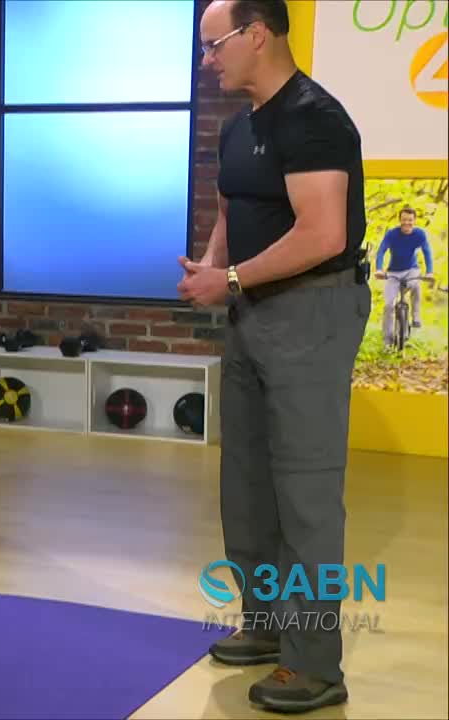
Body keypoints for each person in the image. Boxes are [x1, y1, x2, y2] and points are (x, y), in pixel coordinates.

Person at [178, 0, 368, 713]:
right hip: (250, 314)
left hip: (312, 311)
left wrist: (226, 280)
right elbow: (233, 214)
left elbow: (322, 234)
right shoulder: (239, 127)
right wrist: (211, 264)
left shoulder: (315, 119)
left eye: (214, 45)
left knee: (306, 496)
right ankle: (264, 624)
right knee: (248, 485)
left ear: (257, 34)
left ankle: (314, 664)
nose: (207, 61)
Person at [375, 205, 434, 346]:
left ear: (414, 221)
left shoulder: (420, 234)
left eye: (410, 220)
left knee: (416, 285)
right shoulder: (392, 234)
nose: (407, 223)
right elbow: (381, 251)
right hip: (393, 272)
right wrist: (379, 269)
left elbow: (427, 252)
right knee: (388, 305)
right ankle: (387, 342)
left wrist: (429, 272)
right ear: (400, 220)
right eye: (404, 220)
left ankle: (416, 317)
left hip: (411, 270)